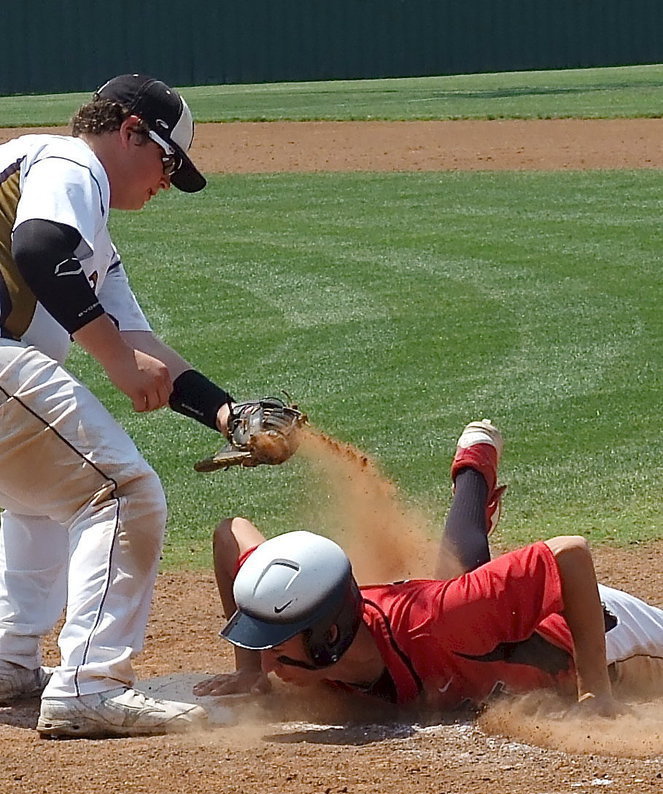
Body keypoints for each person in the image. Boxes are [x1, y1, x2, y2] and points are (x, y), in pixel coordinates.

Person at [0, 74, 252, 738]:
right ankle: (89, 683)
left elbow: (139, 340)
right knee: (124, 491)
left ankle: (7, 656)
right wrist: (112, 360)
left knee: (44, 494)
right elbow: (36, 250)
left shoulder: (88, 231)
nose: (167, 180)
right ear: (129, 131)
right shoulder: (68, 162)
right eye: (167, 160)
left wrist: (229, 414)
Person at [194, 420, 663, 716]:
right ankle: (473, 471)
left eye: (273, 646)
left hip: (590, 628)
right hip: (472, 627)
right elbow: (229, 532)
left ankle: (474, 472)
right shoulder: (305, 600)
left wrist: (594, 691)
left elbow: (571, 555)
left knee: (457, 598)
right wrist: (248, 668)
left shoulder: (439, 621)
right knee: (460, 589)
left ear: (327, 637)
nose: (271, 662)